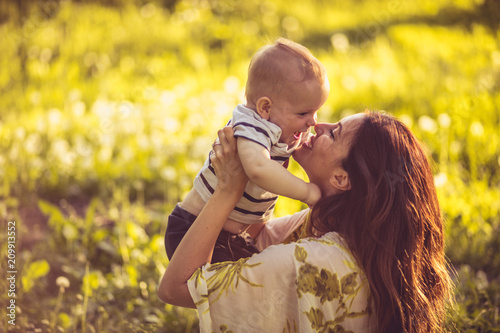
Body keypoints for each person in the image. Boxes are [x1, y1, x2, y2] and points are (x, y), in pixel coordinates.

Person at [158, 111, 453, 333]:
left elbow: (176, 288)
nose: (317, 125)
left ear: (342, 178)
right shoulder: (352, 232)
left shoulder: (307, 262)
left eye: (333, 133)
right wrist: (261, 166)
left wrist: (227, 189)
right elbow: (253, 240)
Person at [165, 38, 330, 263]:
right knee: (223, 289)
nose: (312, 122)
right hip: (193, 228)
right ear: (265, 107)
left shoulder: (279, 123)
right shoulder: (251, 127)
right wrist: (307, 192)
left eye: (317, 111)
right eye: (303, 114)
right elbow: (258, 168)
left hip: (232, 235)